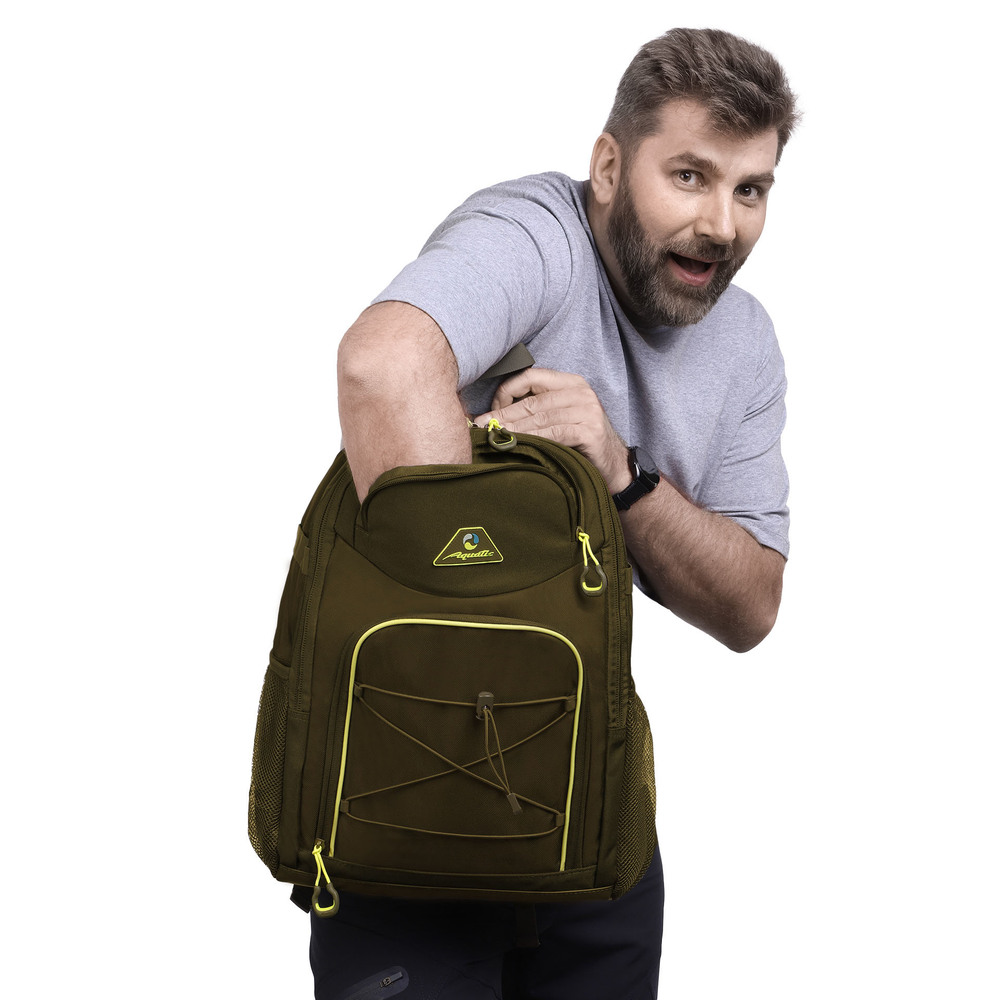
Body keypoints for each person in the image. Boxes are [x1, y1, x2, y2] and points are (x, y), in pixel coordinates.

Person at [309, 26, 800, 999]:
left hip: (592, 811)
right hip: (416, 795)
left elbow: (750, 604)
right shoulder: (532, 236)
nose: (721, 224)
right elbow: (381, 362)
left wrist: (618, 472)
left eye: (751, 190)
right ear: (609, 167)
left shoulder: (744, 343)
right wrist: (476, 642)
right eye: (690, 177)